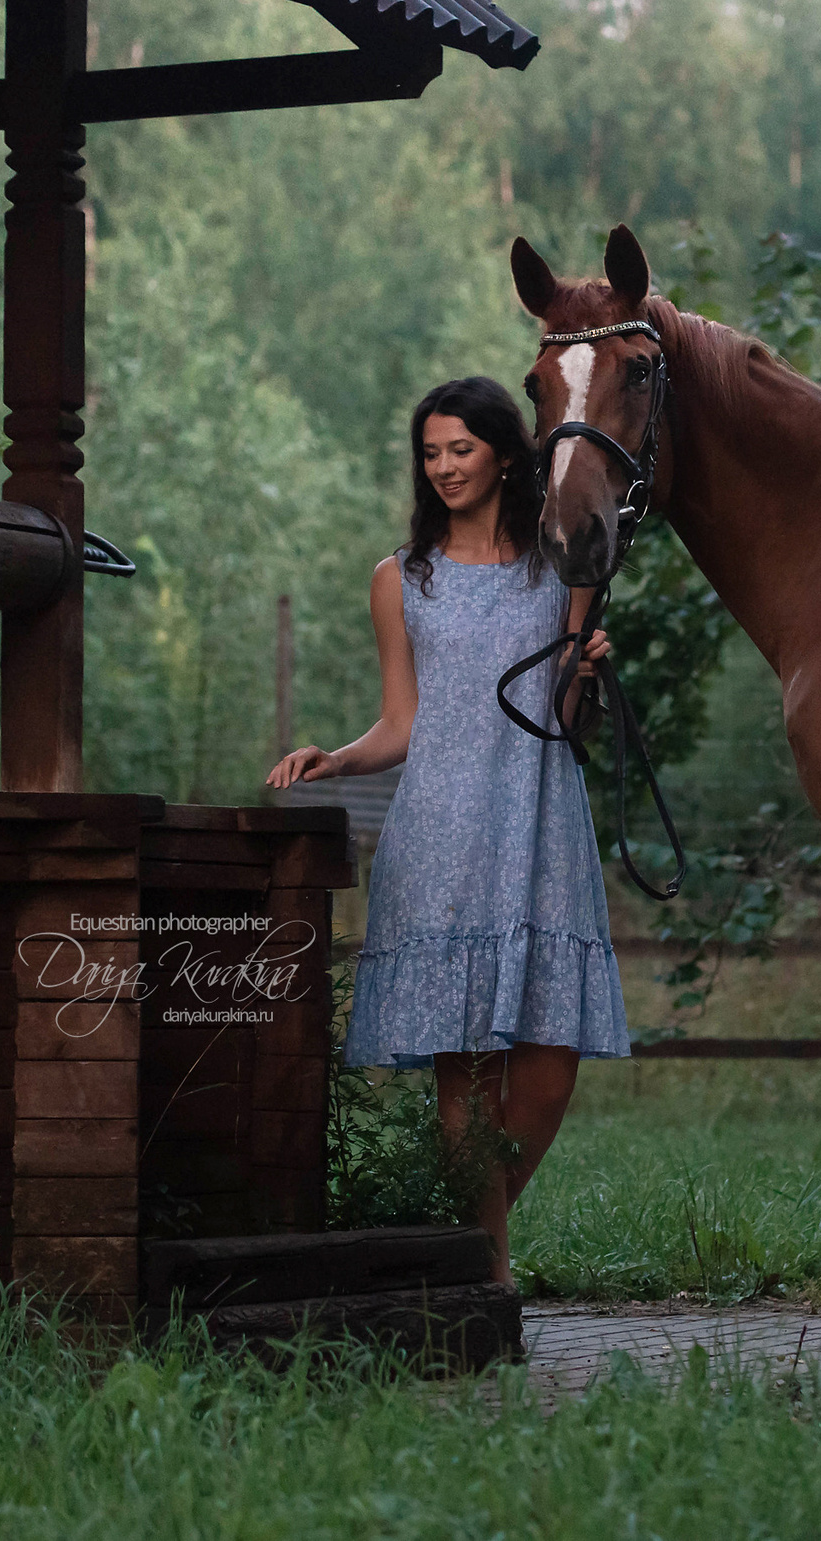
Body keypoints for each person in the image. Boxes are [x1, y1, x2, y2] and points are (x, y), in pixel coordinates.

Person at [268, 376, 629, 1281]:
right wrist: (338, 757)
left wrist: (585, 664)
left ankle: (462, 1236)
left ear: (507, 454)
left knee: (548, 1067)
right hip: (442, 829)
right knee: (463, 1071)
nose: (442, 469)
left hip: (540, 822)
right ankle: (489, 1273)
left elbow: (562, 712)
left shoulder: (561, 570)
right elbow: (402, 723)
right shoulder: (403, 579)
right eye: (430, 454)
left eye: (459, 450)